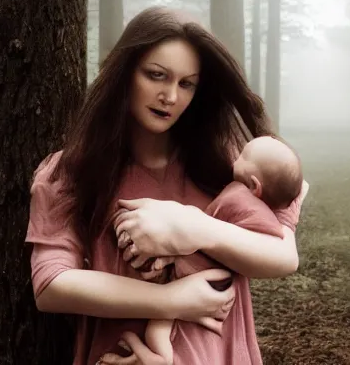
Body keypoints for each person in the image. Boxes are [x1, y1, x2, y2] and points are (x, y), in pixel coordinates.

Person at [26, 6, 308, 365]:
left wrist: (194, 227)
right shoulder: (70, 172)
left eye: (186, 83)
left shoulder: (235, 166)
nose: (171, 96)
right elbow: (50, 286)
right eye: (156, 75)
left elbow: (283, 257)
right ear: (125, 74)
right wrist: (171, 300)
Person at [110, 135, 305, 365]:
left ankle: (161, 358)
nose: (235, 157)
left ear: (254, 185)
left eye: (242, 156)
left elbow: (281, 251)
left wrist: (188, 225)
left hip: (206, 278)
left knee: (159, 327)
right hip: (212, 282)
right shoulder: (260, 194)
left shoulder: (240, 200)